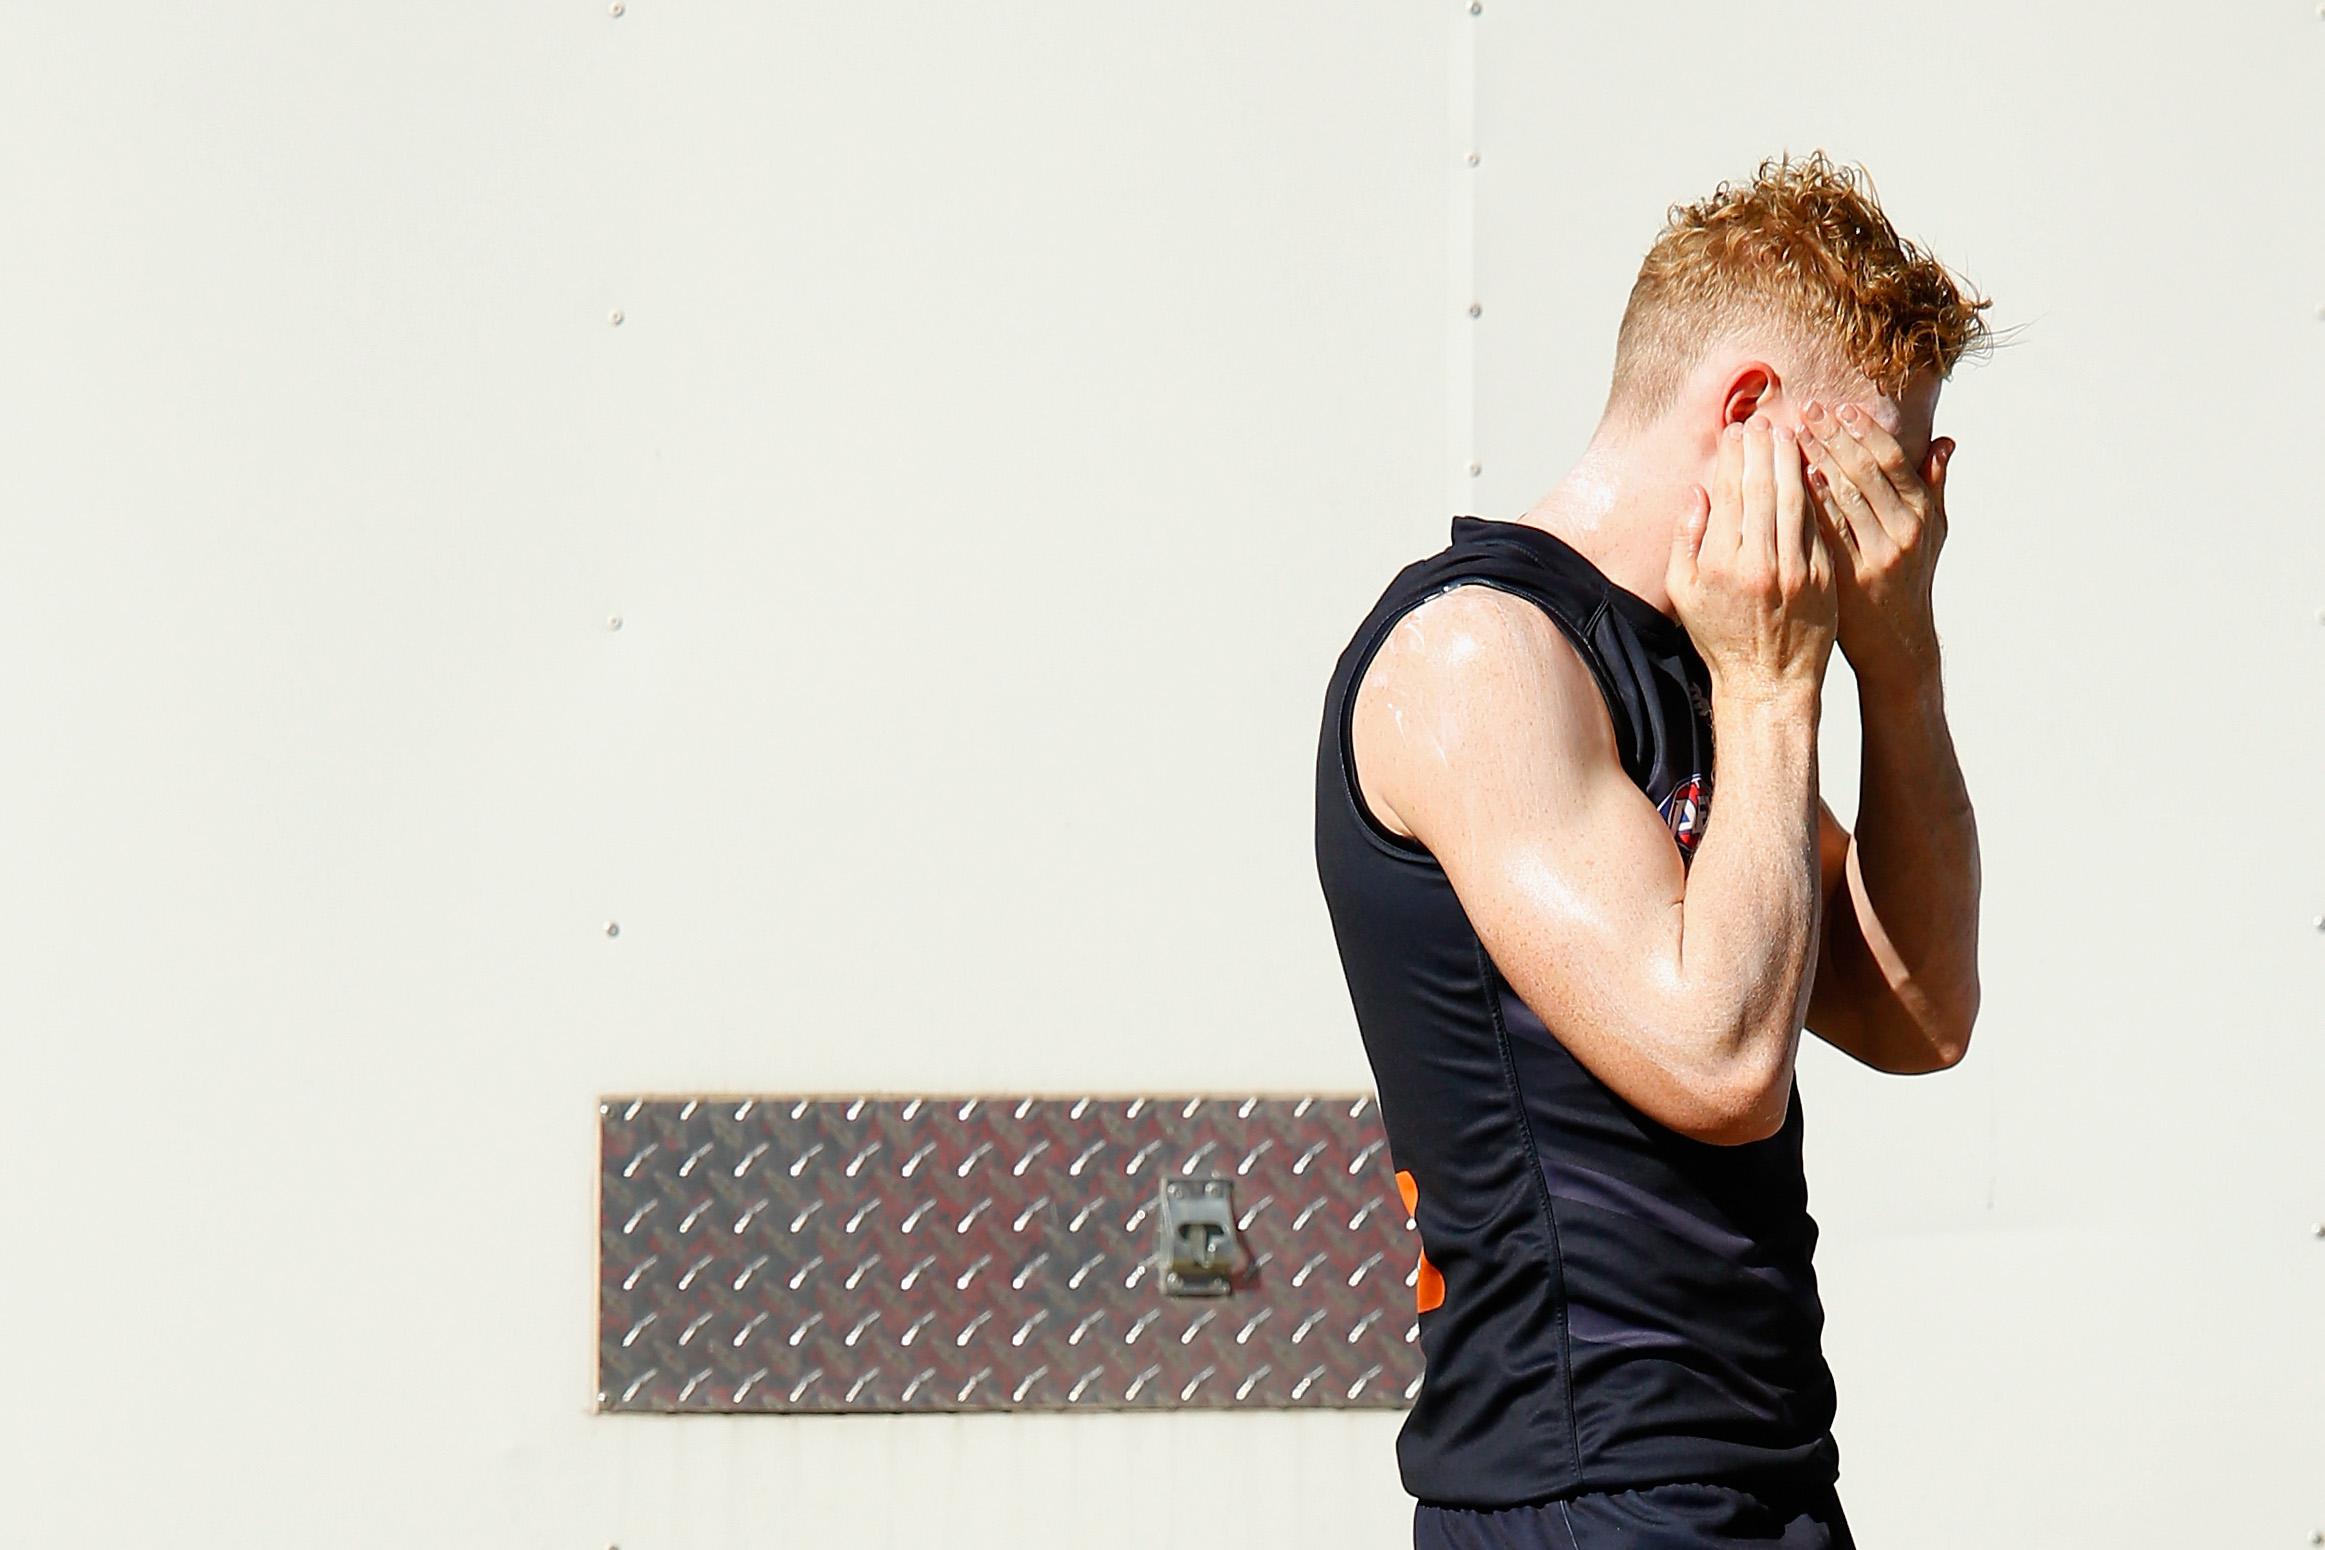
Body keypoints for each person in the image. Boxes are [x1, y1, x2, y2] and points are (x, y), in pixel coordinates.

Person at [1311, 151, 1990, 1549]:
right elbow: (1718, 1060)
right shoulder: (1477, 655)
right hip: (1581, 1488)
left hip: (1761, 1469)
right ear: (1745, 415)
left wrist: (1899, 661)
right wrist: (1772, 683)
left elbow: (1918, 1011)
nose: (1885, 529)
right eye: (1862, 476)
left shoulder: (1708, 671)